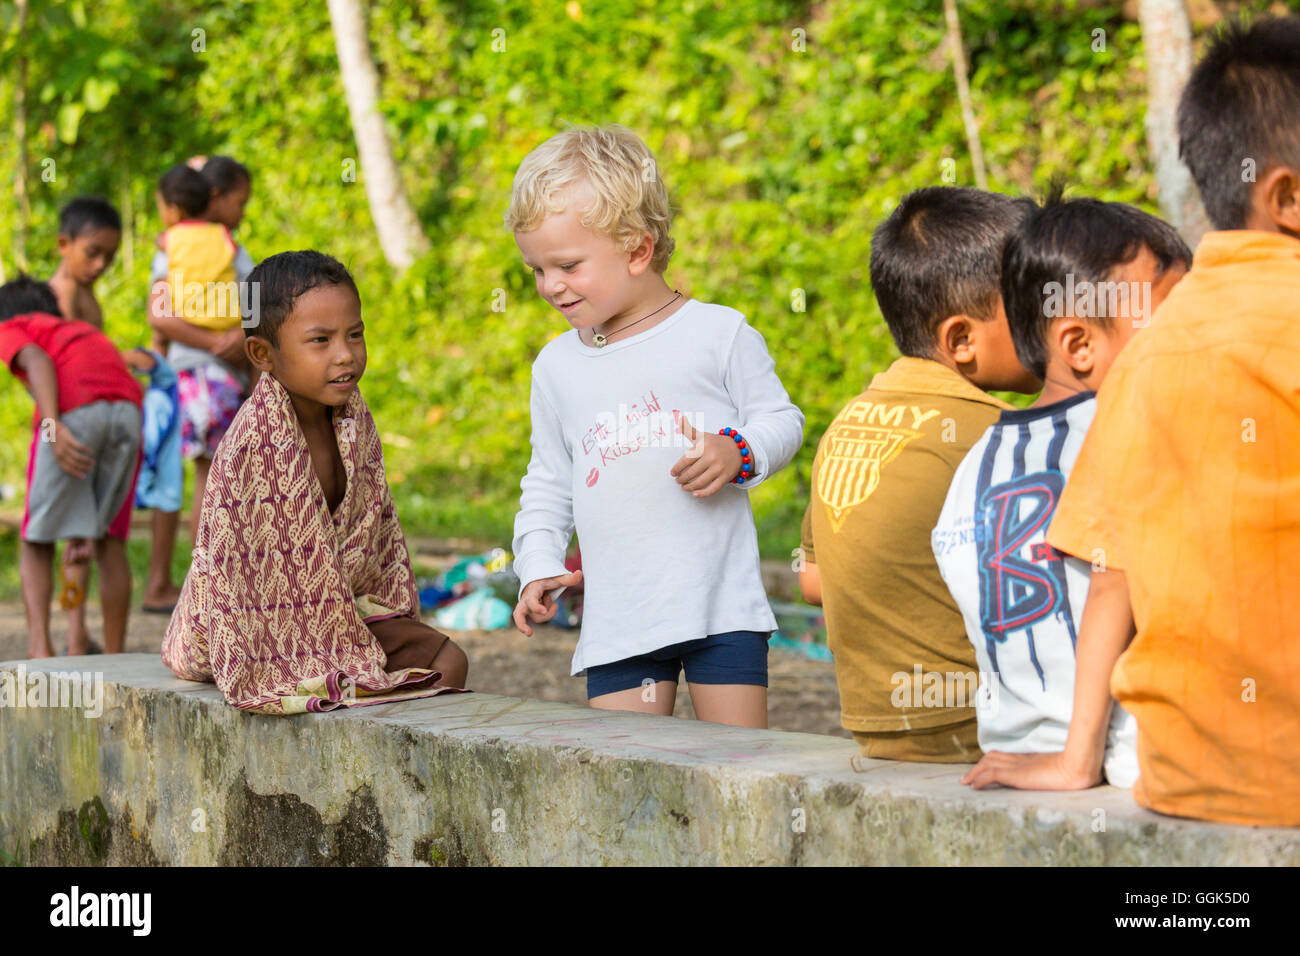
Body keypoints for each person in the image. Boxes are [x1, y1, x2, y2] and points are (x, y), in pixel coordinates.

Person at [964, 17, 1300, 827]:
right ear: (1286, 196)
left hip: (1184, 776)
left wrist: (1076, 760)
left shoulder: (1149, 353)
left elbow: (1108, 570)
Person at [507, 125, 804, 728]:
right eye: (536, 269)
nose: (550, 285)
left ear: (638, 251)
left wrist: (738, 453)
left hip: (723, 611)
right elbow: (549, 478)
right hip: (620, 619)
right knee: (629, 782)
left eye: (567, 265)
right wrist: (536, 560)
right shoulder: (557, 366)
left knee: (738, 770)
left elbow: (783, 420)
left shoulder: (717, 334)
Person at [929, 194, 1190, 789]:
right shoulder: (1133, 426)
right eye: (1169, 321)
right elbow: (1115, 579)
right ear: (1079, 345)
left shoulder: (971, 468)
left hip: (1008, 749)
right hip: (1128, 756)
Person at [161, 251, 467, 714]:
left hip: (340, 608)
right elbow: (235, 577)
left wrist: (350, 625)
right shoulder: (251, 445)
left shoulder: (354, 419)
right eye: (320, 340)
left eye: (355, 334)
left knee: (449, 661)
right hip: (254, 628)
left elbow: (374, 532)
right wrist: (326, 639)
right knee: (349, 682)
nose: (345, 354)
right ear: (264, 355)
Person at [799, 187, 1041, 763]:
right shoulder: (997, 432)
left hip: (877, 725)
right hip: (979, 727)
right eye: (1033, 309)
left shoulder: (849, 420)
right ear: (960, 339)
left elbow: (812, 578)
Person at [0, 276, 141, 657]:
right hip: (128, 414)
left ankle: (39, 652)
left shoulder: (12, 327)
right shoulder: (79, 331)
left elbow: (36, 359)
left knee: (36, 538)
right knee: (108, 538)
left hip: (76, 412)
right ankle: (115, 657)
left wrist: (51, 425)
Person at [144, 157, 255, 613]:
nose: (243, 211)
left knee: (172, 481)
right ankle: (203, 588)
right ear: (215, 198)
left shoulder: (168, 247)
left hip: (178, 381)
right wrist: (226, 343)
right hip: (222, 381)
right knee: (211, 484)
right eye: (240, 202)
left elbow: (159, 316)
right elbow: (253, 313)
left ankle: (160, 582)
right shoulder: (233, 249)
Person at [48, 196, 121, 329]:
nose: (101, 264)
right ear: (64, 244)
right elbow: (69, 346)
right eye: (92, 253)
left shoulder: (83, 288)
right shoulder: (65, 290)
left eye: (110, 256)